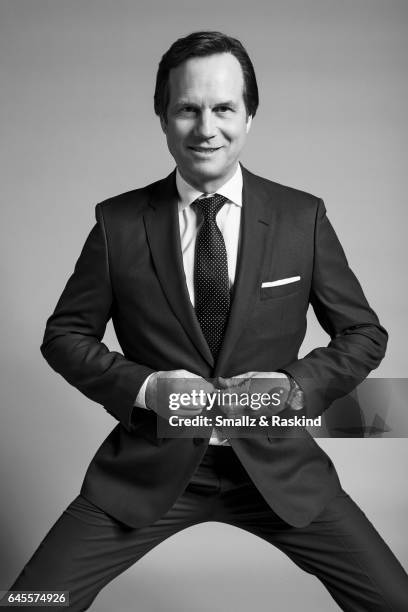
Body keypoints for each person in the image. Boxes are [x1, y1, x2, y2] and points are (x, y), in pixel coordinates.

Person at [6, 30, 408, 611]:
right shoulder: (118, 225)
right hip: (150, 472)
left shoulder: (302, 218)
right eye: (187, 109)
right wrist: (146, 389)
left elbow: (364, 334)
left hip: (278, 470)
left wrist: (297, 387)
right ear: (163, 119)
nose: (206, 128)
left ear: (250, 117)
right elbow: (64, 336)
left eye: (224, 108)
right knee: (30, 604)